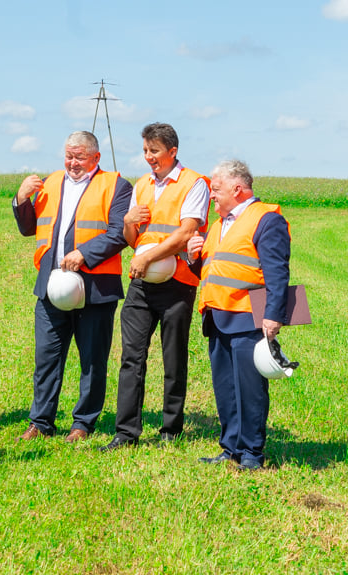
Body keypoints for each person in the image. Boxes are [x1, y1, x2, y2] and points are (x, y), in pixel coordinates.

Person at [13, 131, 132, 442]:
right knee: (46, 357)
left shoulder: (116, 185)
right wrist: (22, 199)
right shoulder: (51, 183)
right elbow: (29, 228)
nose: (73, 162)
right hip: (52, 285)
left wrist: (85, 254)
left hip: (95, 287)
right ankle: (40, 421)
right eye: (69, 155)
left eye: (80, 156)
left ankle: (83, 423)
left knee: (92, 359)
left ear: (96, 158)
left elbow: (121, 232)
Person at [101, 123, 210, 451]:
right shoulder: (142, 185)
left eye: (155, 151)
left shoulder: (194, 184)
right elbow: (133, 240)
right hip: (141, 284)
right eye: (146, 150)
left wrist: (147, 260)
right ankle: (126, 432)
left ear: (172, 151)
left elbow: (185, 233)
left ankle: (170, 429)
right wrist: (127, 222)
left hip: (178, 283)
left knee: (173, 357)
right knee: (131, 357)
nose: (149, 157)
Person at [189, 160, 290, 470]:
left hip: (248, 316)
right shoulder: (219, 224)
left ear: (237, 188)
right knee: (226, 389)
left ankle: (252, 454)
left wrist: (273, 316)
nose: (212, 197)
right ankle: (230, 447)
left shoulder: (266, 219)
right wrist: (193, 256)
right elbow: (213, 268)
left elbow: (277, 272)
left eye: (216, 190)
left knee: (250, 390)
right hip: (217, 316)